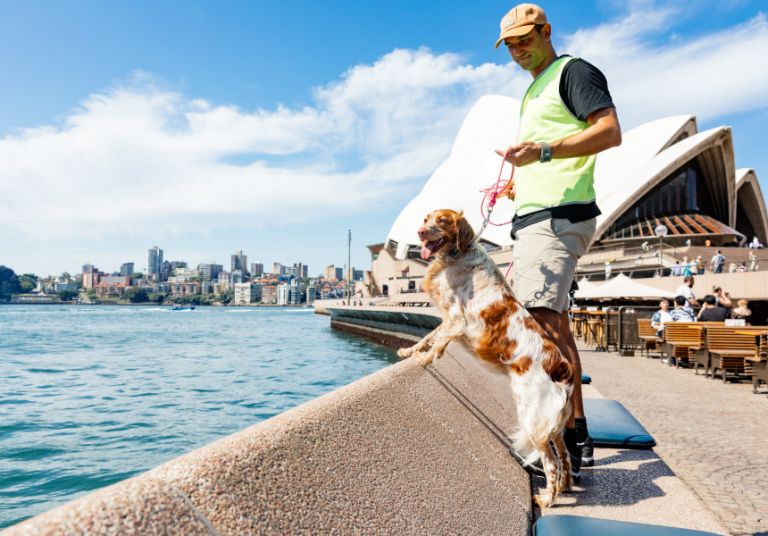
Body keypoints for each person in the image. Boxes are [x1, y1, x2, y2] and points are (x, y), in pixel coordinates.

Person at [495, 2, 622, 476]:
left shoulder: (573, 72)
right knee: (554, 324)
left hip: (556, 219)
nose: (517, 50)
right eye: (510, 45)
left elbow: (609, 132)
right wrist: (521, 180)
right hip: (536, 217)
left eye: (524, 39)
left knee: (542, 325)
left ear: (547, 31)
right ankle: (574, 433)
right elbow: (549, 155)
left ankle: (554, 441)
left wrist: (543, 151)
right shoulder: (534, 91)